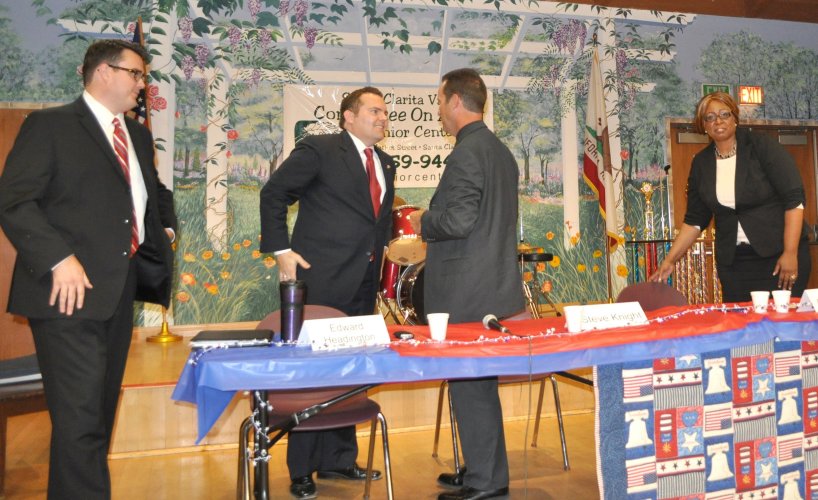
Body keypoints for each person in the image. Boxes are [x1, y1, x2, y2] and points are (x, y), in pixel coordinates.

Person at [0, 39, 176, 499]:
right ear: (103, 72)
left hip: (118, 291)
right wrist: (59, 259)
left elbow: (152, 192)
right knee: (79, 418)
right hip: (66, 294)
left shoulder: (136, 134)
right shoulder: (50, 125)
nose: (142, 85)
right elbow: (14, 202)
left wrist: (165, 231)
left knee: (96, 416)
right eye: (136, 74)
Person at [259, 86, 394, 499]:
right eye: (374, 110)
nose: (383, 117)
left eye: (385, 112)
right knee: (312, 375)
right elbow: (274, 193)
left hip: (364, 283)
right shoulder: (319, 149)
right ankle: (301, 469)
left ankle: (339, 458)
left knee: (350, 373)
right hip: (321, 280)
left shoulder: (385, 162)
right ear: (348, 116)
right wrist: (281, 250)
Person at [409, 68, 525, 500]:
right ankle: (481, 468)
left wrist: (423, 220)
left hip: (466, 292)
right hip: (490, 287)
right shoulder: (499, 151)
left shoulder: (465, 153)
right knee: (476, 387)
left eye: (440, 101)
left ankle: (486, 483)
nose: (439, 110)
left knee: (472, 388)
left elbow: (458, 221)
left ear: (456, 101)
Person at [650, 91, 810, 301]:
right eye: (710, 117)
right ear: (703, 125)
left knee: (781, 319)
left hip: (779, 257)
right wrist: (670, 260)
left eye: (724, 114)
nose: (718, 121)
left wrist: (790, 253)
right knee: (739, 321)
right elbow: (695, 220)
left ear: (735, 118)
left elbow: (794, 200)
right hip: (735, 265)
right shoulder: (701, 163)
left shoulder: (762, 146)